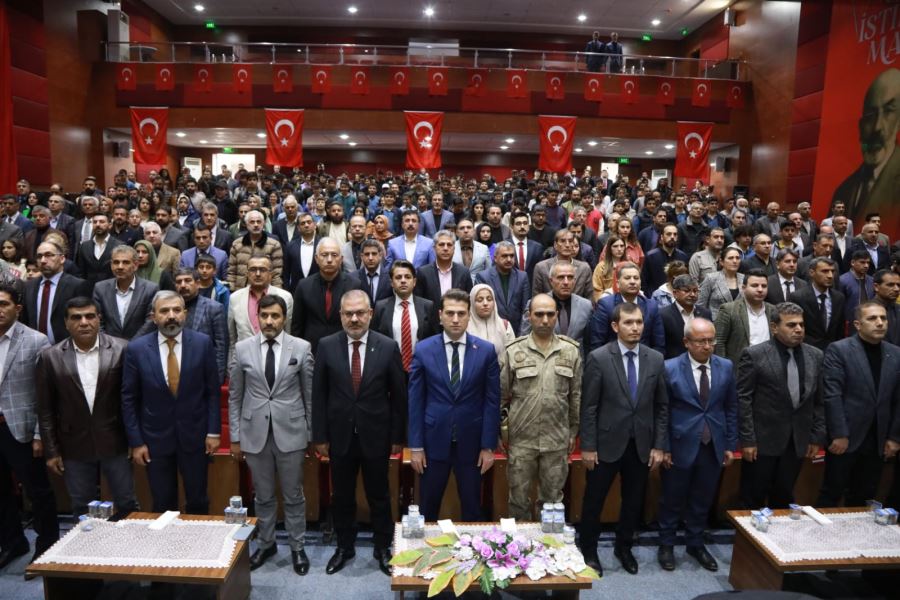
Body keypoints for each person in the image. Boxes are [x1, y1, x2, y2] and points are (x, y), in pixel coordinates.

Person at [313, 290, 406, 576]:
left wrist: (396, 438)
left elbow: (399, 397)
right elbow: (319, 395)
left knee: (379, 495)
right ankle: (344, 547)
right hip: (339, 437)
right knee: (342, 496)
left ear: (370, 314)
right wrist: (320, 436)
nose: (354, 319)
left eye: (360, 313)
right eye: (348, 313)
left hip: (376, 436)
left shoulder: (388, 346)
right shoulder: (326, 345)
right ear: (340, 315)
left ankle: (382, 547)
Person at [579, 302, 668, 576]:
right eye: (629, 323)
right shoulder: (599, 357)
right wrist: (589, 446)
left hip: (641, 444)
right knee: (594, 500)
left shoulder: (655, 358)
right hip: (605, 444)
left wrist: (659, 445)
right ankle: (589, 548)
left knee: (633, 501)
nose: (635, 328)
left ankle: (624, 547)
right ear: (615, 326)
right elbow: (589, 406)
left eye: (639, 322)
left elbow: (662, 406)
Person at [229, 295, 313, 575]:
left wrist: (311, 434)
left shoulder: (301, 348)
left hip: (291, 432)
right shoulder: (242, 349)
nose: (269, 321)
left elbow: (309, 395)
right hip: (255, 434)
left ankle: (297, 546)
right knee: (262, 495)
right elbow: (235, 396)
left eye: (275, 316)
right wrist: (236, 436)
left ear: (284, 317)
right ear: (258, 317)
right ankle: (266, 544)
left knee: (293, 495)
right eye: (264, 315)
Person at [36, 297, 137, 520]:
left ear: (99, 319)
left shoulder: (123, 349)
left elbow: (133, 401)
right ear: (66, 322)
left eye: (90, 316)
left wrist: (134, 441)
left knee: (127, 502)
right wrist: (52, 451)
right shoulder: (50, 357)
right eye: (76, 317)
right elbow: (45, 410)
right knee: (82, 507)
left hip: (116, 440)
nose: (84, 322)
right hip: (73, 444)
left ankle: (130, 551)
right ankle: (87, 552)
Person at [121, 291, 220, 515]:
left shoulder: (203, 343)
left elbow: (212, 392)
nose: (171, 316)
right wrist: (136, 442)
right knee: (163, 503)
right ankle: (168, 549)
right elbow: (129, 399)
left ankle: (198, 549)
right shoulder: (136, 349)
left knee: (198, 500)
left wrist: (213, 432)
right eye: (164, 311)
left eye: (176, 310)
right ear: (153, 317)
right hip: (154, 439)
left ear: (185, 313)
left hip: (195, 436)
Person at [408, 289, 500, 522]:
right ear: (440, 315)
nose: (456, 319)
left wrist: (488, 446)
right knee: (428, 507)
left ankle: (473, 555)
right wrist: (416, 446)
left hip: (472, 444)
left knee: (472, 508)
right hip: (432, 442)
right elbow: (416, 401)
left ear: (469, 316)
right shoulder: (423, 349)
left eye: (461, 313)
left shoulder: (486, 351)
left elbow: (491, 401)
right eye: (450, 313)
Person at [657, 318, 737, 572]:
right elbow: (663, 411)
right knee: (672, 498)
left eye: (711, 340)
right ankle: (667, 544)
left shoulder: (725, 366)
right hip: (679, 444)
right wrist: (665, 446)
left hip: (713, 442)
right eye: (701, 341)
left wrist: (729, 444)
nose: (707, 346)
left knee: (702, 498)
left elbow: (731, 407)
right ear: (686, 343)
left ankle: (695, 542)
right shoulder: (669, 368)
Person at [500, 294, 581, 521]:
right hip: (521, 440)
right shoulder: (513, 351)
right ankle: (519, 552)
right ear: (529, 316)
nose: (544, 320)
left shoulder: (570, 351)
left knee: (553, 501)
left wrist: (572, 433)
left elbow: (576, 397)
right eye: (539, 314)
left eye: (549, 314)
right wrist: (501, 433)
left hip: (556, 439)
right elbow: (499, 396)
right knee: (518, 500)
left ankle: (550, 550)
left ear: (556, 316)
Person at [736, 302, 824, 509]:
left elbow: (819, 400)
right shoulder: (755, 354)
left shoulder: (815, 355)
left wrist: (816, 436)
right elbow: (744, 399)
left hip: (797, 440)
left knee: (784, 496)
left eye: (801, 325)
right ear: (774, 327)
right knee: (752, 497)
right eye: (791, 325)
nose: (799, 329)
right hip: (762, 441)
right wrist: (747, 440)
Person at [818, 302, 900, 507]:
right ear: (857, 324)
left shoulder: (895, 353)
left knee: (864, 496)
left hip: (878, 438)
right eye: (872, 319)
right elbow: (832, 395)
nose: (880, 323)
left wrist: (894, 437)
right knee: (832, 493)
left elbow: (898, 400)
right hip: (846, 436)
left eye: (883, 318)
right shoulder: (839, 349)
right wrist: (838, 433)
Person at [0, 281, 58, 571]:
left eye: (3, 304)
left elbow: (45, 394)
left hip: (22, 429)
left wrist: (39, 434)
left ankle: (47, 546)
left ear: (17, 308)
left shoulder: (36, 341)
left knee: (38, 491)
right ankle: (13, 541)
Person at [832, 68, 900, 226]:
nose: (877, 127)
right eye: (871, 114)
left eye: (889, 111)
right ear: (861, 124)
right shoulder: (843, 190)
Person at [291, 238, 365, 354]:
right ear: (316, 258)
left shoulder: (354, 284)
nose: (329, 260)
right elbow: (297, 326)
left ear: (341, 259)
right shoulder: (304, 286)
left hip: (345, 350)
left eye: (334, 255)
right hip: (311, 351)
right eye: (324, 255)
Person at [371, 260, 437, 373]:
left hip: (420, 367)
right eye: (398, 277)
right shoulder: (381, 307)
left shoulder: (427, 306)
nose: (403, 281)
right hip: (390, 369)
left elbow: (434, 338)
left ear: (414, 281)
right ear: (391, 282)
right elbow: (374, 339)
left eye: (407, 277)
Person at [588, 262, 665, 354]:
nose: (632, 281)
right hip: (613, 360)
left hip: (644, 361)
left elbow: (659, 345)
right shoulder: (606, 305)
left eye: (636, 278)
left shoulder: (651, 306)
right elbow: (596, 343)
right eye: (627, 278)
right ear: (617, 283)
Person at [228, 256, 293, 363]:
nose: (257, 274)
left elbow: (288, 333)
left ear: (270, 274)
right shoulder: (235, 298)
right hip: (244, 362)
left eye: (262, 270)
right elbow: (232, 339)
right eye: (253, 270)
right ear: (247, 273)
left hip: (275, 361)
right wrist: (231, 367)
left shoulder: (285, 297)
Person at [21, 241, 89, 344]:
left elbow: (82, 321)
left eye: (49, 255)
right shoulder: (28, 286)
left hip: (66, 349)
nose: (43, 260)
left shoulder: (77, 285)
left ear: (62, 259)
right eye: (39, 256)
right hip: (34, 349)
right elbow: (25, 320)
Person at [92, 246, 159, 340]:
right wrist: (110, 345)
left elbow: (150, 321)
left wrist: (132, 345)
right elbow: (97, 321)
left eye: (125, 262)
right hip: (109, 348)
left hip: (139, 346)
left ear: (135, 265)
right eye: (116, 262)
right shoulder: (100, 288)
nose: (120, 267)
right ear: (111, 265)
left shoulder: (150, 289)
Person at [713, 269, 776, 366]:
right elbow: (719, 342)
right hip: (740, 367)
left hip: (769, 366)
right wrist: (723, 368)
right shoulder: (729, 309)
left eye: (764, 286)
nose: (760, 289)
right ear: (743, 288)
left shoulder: (774, 310)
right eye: (755, 285)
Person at [474, 241, 531, 336]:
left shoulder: (522, 277)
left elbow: (525, 309)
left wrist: (522, 336)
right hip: (491, 331)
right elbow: (480, 308)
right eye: (504, 256)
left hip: (517, 331)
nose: (509, 259)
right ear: (495, 258)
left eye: (512, 256)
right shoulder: (483, 277)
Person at [789, 257, 846, 350]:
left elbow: (840, 329)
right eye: (825, 271)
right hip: (807, 350)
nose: (830, 276)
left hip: (833, 351)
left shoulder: (839, 298)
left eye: (832, 271)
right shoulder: (798, 297)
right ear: (812, 273)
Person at [414, 231, 473, 310]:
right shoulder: (423, 272)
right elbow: (419, 302)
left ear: (454, 249)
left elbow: (469, 301)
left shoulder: (464, 272)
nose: (445, 248)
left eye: (449, 245)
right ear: (434, 248)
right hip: (431, 321)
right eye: (441, 244)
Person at [227, 210, 284, 290]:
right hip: (241, 290)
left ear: (263, 224)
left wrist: (276, 293)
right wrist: (231, 290)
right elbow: (232, 271)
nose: (256, 225)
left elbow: (276, 273)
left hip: (265, 291)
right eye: (252, 222)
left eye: (259, 222)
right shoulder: (237, 244)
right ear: (246, 224)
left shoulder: (274, 245)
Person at [660, 275, 712, 359]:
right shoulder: (663, 315)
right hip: (674, 364)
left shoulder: (705, 313)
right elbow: (660, 345)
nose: (692, 294)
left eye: (695, 291)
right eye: (687, 291)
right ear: (675, 293)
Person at [532, 230, 593, 299]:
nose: (567, 245)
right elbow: (536, 299)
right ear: (555, 245)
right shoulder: (541, 268)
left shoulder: (584, 268)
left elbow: (589, 299)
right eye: (563, 241)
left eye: (570, 241)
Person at [76, 213, 122, 291]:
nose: (98, 224)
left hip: (111, 290)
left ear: (110, 225)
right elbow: (80, 271)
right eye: (95, 222)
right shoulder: (84, 246)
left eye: (102, 222)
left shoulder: (119, 245)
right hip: (88, 290)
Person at [697, 247, 744, 321]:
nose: (735, 261)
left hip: (739, 324)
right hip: (715, 324)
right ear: (721, 261)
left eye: (737, 258)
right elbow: (700, 305)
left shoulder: (744, 279)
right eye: (731, 258)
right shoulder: (711, 278)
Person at [467, 284, 515, 355]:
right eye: (480, 300)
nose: (485, 303)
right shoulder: (465, 327)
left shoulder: (505, 326)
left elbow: (513, 354)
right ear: (472, 303)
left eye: (489, 299)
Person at [642, 224, 688, 296]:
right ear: (662, 237)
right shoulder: (650, 256)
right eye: (668, 234)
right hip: (655, 298)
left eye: (675, 234)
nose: (672, 237)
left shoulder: (683, 257)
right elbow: (644, 282)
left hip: (677, 298)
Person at [283, 212, 321, 293]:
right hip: (296, 292)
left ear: (314, 225)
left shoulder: (323, 244)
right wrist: (286, 292)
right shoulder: (290, 246)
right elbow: (286, 273)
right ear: (298, 228)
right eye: (303, 223)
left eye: (309, 222)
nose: (306, 225)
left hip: (319, 290)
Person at [838, 250, 875, 324]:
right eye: (862, 262)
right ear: (853, 263)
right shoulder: (842, 280)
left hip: (869, 320)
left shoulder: (872, 280)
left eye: (868, 262)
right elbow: (839, 305)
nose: (866, 266)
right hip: (849, 322)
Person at [354, 239, 392, 307]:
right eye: (367, 254)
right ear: (362, 257)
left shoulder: (390, 277)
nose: (370, 258)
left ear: (380, 255)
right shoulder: (353, 278)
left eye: (374, 254)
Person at [872, 269, 900, 345]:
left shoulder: (898, 309)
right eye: (890, 285)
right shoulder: (864, 311)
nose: (897, 289)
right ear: (876, 287)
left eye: (898, 285)